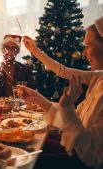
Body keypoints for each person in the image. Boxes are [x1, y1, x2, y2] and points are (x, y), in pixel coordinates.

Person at [18, 17, 103, 168]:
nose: (83, 53)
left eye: (89, 45)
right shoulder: (98, 77)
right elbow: (62, 71)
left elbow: (93, 158)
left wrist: (67, 108)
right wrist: (38, 99)